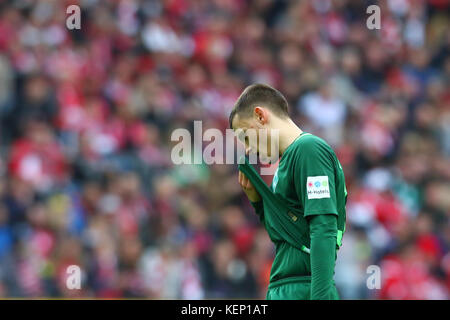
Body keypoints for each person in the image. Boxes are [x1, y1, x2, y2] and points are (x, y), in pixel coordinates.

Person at [229, 84, 347, 300]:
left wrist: (320, 297)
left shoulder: (308, 149)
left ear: (260, 116)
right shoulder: (285, 165)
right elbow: (290, 237)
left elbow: (323, 228)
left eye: (245, 136)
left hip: (304, 288)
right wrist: (258, 203)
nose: (247, 149)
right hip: (286, 288)